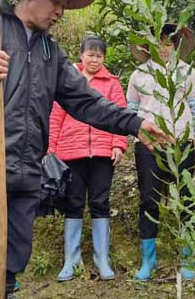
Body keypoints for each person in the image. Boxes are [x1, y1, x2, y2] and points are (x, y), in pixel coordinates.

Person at [0, 0, 166, 299]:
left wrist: (134, 122)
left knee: (8, 270)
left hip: (25, 175)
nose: (60, 12)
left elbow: (86, 100)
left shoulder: (49, 50)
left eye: (65, 6)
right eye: (56, 1)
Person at [126, 23, 195, 281]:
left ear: (175, 46)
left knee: (187, 199)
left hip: (181, 143)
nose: (163, 48)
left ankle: (187, 257)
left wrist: (185, 134)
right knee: (149, 199)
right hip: (148, 146)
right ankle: (148, 261)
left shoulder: (187, 72)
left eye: (168, 43)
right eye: (158, 43)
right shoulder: (139, 75)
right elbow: (132, 110)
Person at [48, 35, 127, 281]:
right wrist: (51, 149)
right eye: (90, 54)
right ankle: (71, 260)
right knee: (73, 202)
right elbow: (55, 116)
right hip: (70, 151)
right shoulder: (68, 81)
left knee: (100, 202)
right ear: (81, 55)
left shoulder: (112, 83)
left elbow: (120, 114)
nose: (94, 59)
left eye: (99, 55)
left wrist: (119, 144)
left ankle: (102, 259)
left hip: (103, 152)